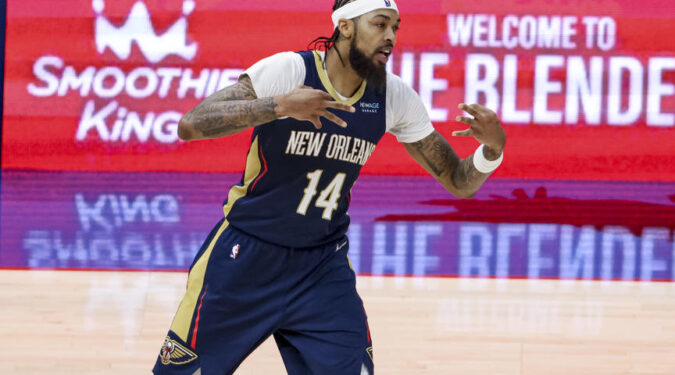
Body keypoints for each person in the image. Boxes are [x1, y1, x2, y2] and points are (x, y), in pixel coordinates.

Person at [153, 0, 506, 373]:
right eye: (380, 24)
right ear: (346, 26)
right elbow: (191, 124)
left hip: (321, 267)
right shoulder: (290, 70)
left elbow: (458, 180)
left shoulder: (393, 95)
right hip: (246, 257)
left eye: (396, 27)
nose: (390, 37)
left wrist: (492, 150)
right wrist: (279, 106)